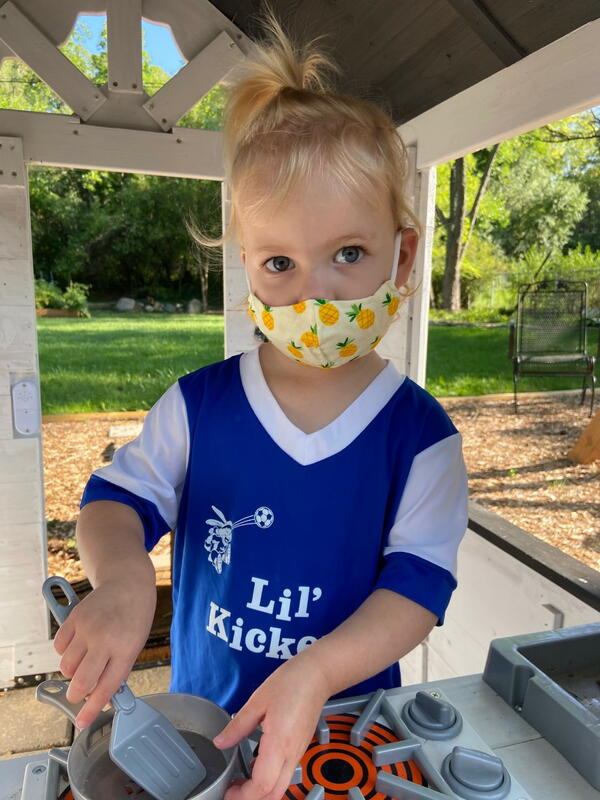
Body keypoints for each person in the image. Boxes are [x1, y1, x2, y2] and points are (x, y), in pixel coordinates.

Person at [53, 10, 468, 800]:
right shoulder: (199, 407)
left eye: (348, 253)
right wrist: (120, 582)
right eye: (280, 261)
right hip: (199, 738)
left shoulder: (420, 438)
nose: (313, 289)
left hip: (348, 739)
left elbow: (416, 592)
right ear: (246, 265)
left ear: (402, 253)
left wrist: (313, 673)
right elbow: (115, 501)